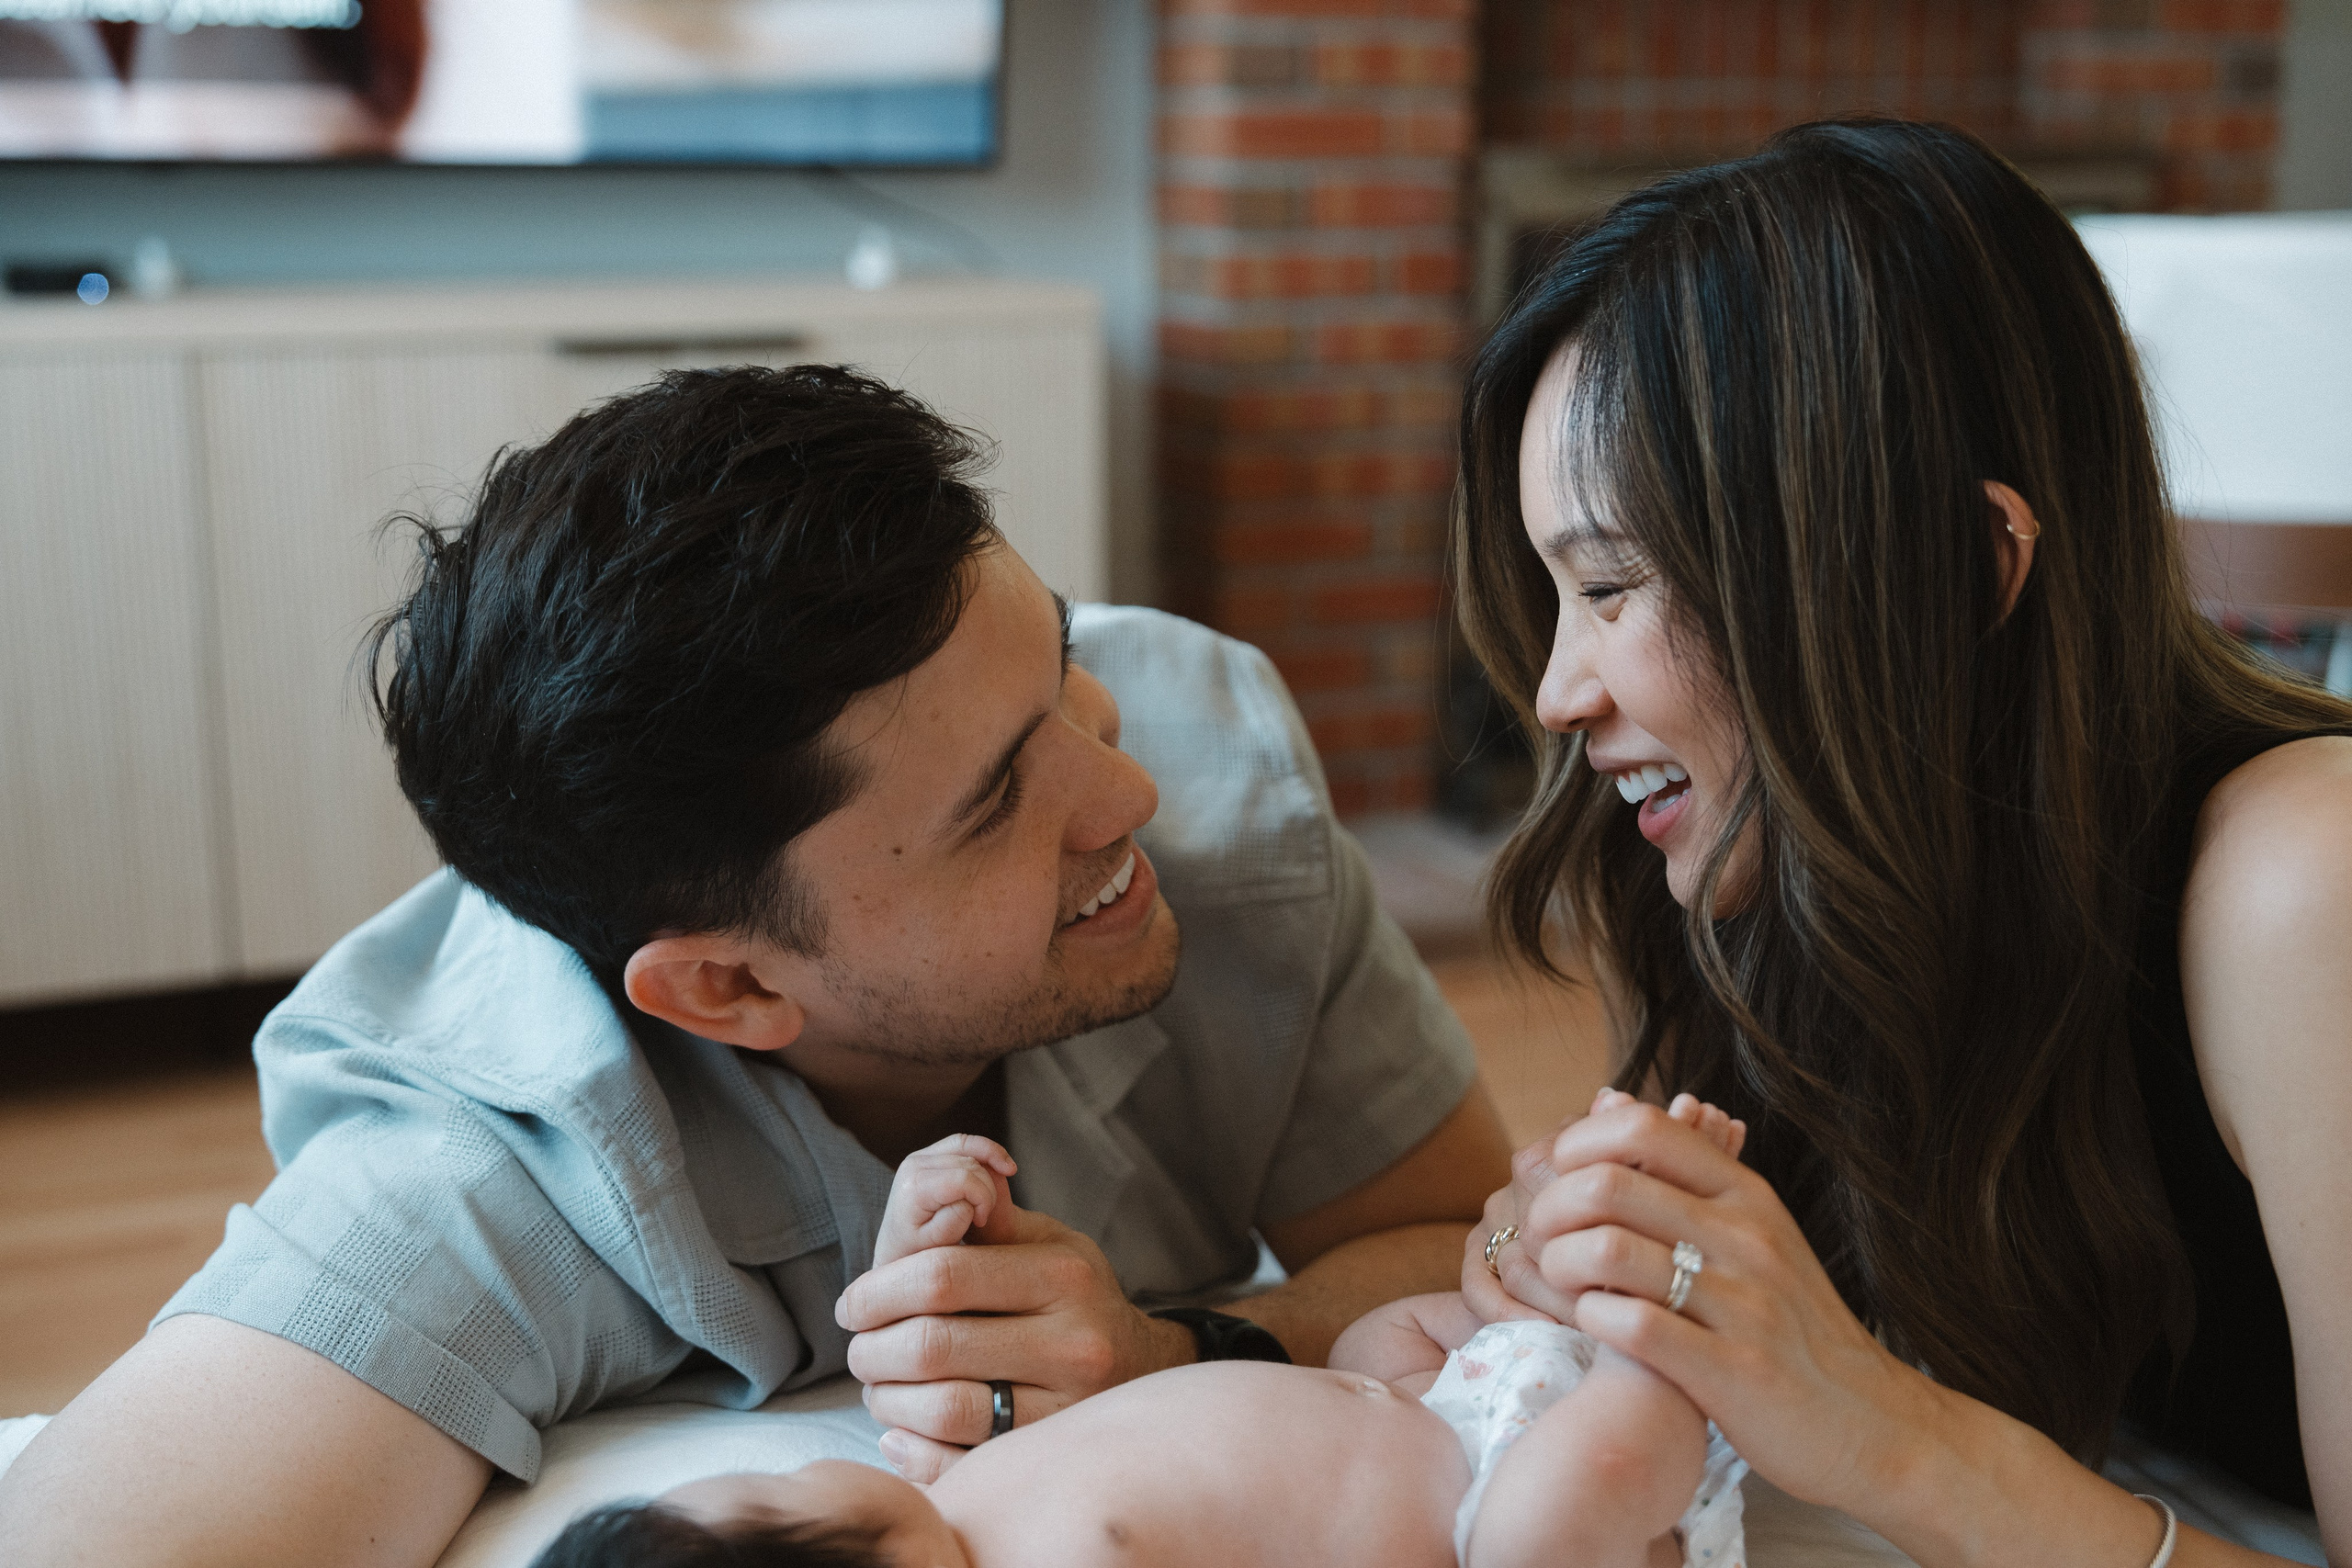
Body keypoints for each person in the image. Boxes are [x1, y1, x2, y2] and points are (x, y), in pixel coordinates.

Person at [0, 365, 1512, 1568]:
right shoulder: (479, 1167)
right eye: (997, 805)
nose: (1126, 799)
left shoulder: (1220, 787)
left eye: (1056, 662)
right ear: (725, 991)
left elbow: (1461, 1247)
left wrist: (1174, 1349)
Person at [1447, 117, 2352, 1568]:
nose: (1558, 694)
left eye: (1612, 585)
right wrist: (1538, 1252)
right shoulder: (1779, 861)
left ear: (1956, 569)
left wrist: (1880, 1427)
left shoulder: (2306, 878)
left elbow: (1869, 1408)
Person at [526, 1096, 1748, 1568]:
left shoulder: (959, 1491)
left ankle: (1581, 1279)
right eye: (758, 1497)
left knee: (1378, 1338)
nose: (782, 1467)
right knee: (1546, 1534)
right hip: (1496, 1513)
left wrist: (936, 1221)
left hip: (1440, 1404)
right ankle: (1666, 1354)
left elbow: (939, 1346)